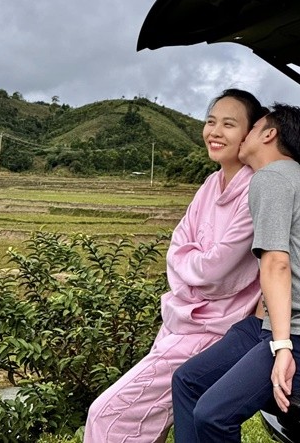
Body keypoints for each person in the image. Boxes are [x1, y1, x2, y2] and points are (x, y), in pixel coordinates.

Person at [83, 89, 267, 443]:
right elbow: (178, 247)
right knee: (152, 421)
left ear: (250, 134)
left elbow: (216, 269)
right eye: (211, 121)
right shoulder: (211, 184)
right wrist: (195, 263)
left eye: (229, 124)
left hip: (211, 328)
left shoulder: (253, 190)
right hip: (181, 318)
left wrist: (192, 263)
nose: (215, 131)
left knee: (107, 416)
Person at [171, 103, 300, 443]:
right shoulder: (289, 178)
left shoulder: (271, 177)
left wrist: (283, 347)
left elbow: (276, 263)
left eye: (252, 127)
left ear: (269, 134)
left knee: (212, 414)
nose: (243, 135)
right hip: (274, 325)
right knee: (187, 380)